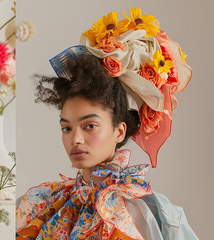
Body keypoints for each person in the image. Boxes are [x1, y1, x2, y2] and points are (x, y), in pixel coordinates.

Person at [16, 8, 198, 240]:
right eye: (66, 127)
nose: (76, 138)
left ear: (119, 130)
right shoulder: (37, 205)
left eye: (89, 125)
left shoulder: (158, 214)